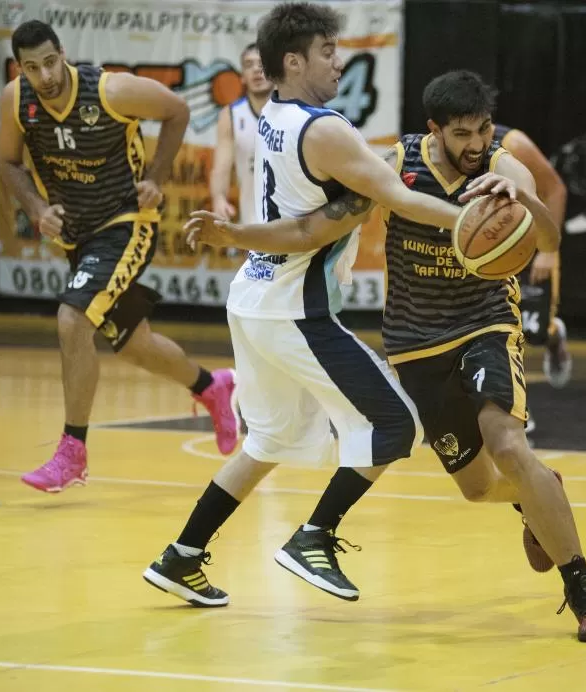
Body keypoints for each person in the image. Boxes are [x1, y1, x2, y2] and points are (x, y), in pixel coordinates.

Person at [183, 68, 586, 643]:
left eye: (483, 131)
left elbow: (549, 239)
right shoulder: (393, 167)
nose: (475, 145)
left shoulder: (502, 167)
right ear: (434, 130)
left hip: (485, 324)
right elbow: (312, 229)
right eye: (462, 134)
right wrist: (234, 234)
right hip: (416, 343)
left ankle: (584, 589)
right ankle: (542, 495)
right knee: (480, 487)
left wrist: (526, 205)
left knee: (508, 442)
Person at [142, 2, 472, 608]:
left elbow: (330, 209)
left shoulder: (274, 114)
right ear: (293, 61)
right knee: (396, 423)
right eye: (326, 51)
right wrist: (470, 220)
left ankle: (181, 555)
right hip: (295, 310)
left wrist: (251, 234)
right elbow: (386, 199)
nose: (337, 61)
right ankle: (313, 537)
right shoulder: (323, 130)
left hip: (254, 299)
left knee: (267, 440)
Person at [0, 20, 238, 493]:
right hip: (78, 237)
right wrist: (37, 208)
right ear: (21, 68)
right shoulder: (16, 100)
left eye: (50, 62)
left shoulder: (110, 91)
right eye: (32, 67)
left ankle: (73, 452)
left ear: (61, 53)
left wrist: (157, 176)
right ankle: (211, 386)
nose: (44, 76)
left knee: (72, 319)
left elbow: (177, 110)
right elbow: (8, 162)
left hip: (126, 224)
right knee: (134, 344)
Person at [492, 123, 573, 398]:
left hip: (529, 242)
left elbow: (556, 190)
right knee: (498, 331)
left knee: (531, 332)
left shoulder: (512, 144)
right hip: (488, 246)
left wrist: (548, 251)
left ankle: (552, 335)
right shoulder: (445, 149)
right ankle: (510, 408)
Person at [209, 43, 273, 225]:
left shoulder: (293, 111)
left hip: (294, 223)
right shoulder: (231, 115)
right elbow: (221, 168)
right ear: (242, 77)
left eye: (262, 64)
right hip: (253, 222)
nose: (256, 70)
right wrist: (219, 198)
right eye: (249, 65)